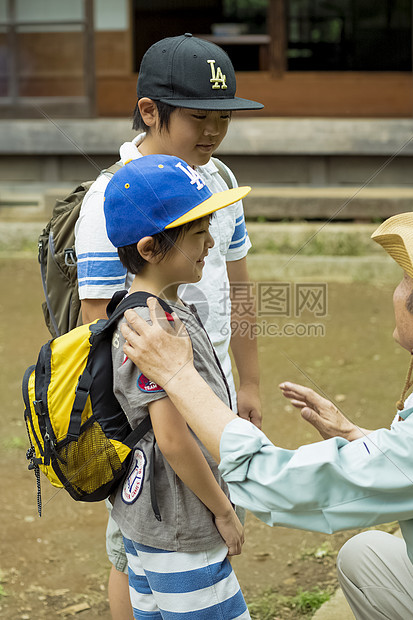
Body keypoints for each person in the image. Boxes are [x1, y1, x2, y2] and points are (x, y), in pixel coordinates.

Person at [119, 210, 413, 620]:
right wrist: (353, 435)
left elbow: (285, 484)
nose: (394, 292)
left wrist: (179, 376)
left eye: (404, 282)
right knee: (365, 556)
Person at [74, 33, 263, 617]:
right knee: (134, 552)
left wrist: (248, 384)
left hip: (211, 389)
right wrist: (153, 414)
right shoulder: (113, 199)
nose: (212, 133)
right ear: (150, 111)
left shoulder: (221, 184)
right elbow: (100, 327)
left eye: (222, 120)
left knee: (184, 540)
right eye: (198, 119)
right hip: (153, 421)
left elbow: (241, 288)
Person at [103, 153, 252, 619]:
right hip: (183, 524)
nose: (211, 243)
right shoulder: (151, 326)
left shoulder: (158, 306)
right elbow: (171, 437)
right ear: (150, 248)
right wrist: (223, 512)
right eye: (197, 233)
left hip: (149, 522)